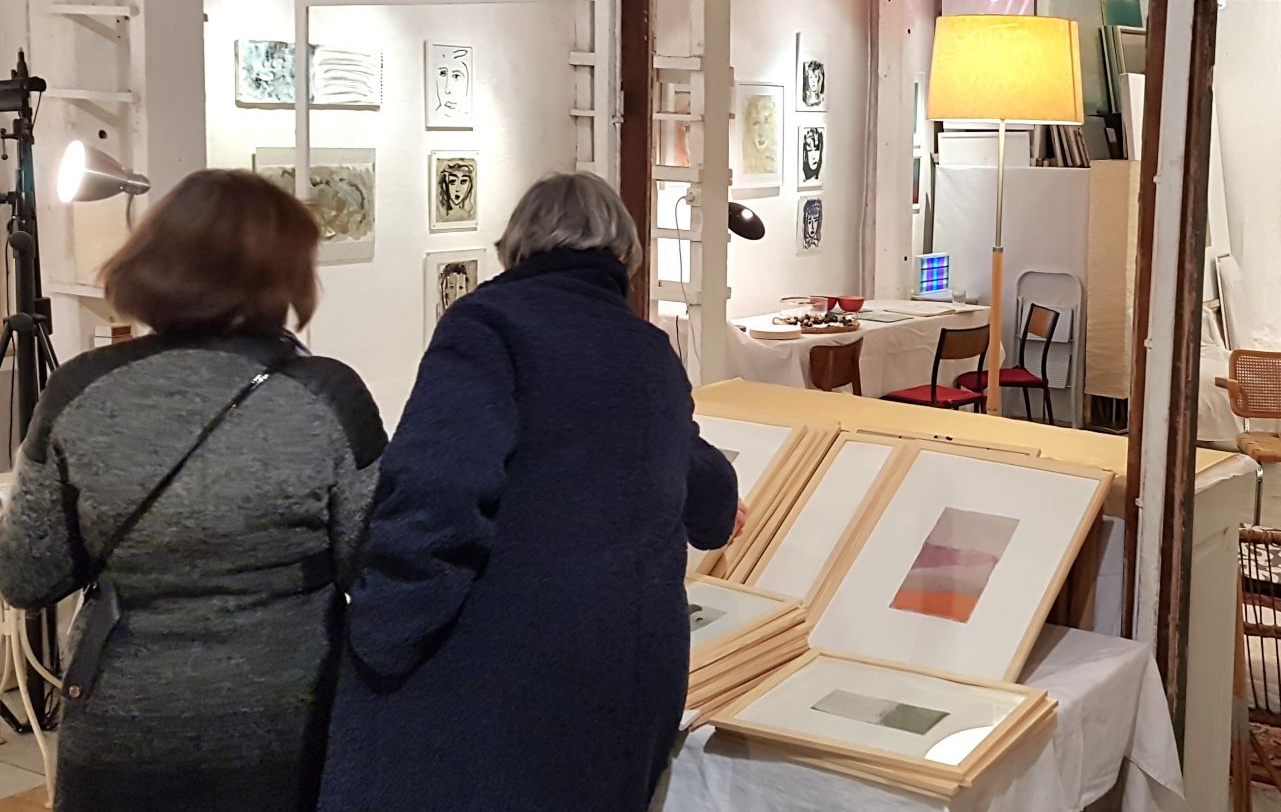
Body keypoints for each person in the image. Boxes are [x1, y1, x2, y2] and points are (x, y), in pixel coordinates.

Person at [319, 171, 740, 812]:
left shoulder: (488, 325)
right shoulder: (648, 349)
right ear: (625, 253)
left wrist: (381, 632)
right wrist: (714, 503)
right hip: (629, 666)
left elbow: (437, 485)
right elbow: (701, 487)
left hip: (508, 664)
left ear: (515, 247)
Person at [0, 170, 384, 812]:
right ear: (284, 271)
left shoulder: (79, 390)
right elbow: (374, 570)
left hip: (122, 728)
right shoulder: (327, 395)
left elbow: (27, 576)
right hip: (289, 724)